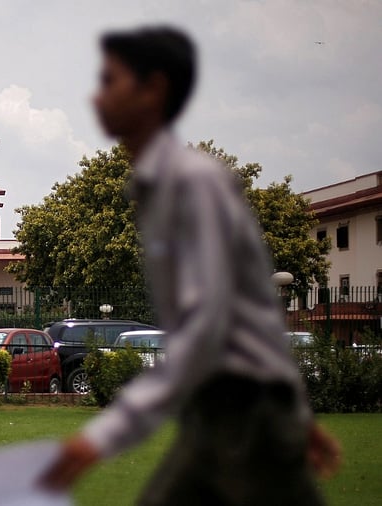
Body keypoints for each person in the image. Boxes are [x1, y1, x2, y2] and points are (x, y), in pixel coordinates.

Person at [39, 26, 341, 504]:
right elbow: (257, 312)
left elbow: (207, 327)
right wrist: (299, 416)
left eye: (110, 80)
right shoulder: (159, 188)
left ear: (153, 89)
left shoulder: (191, 186)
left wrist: (101, 437)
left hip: (243, 415)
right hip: (227, 413)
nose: (97, 97)